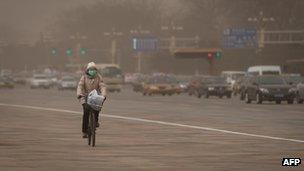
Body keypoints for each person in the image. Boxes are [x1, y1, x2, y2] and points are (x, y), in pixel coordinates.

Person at [77, 62, 106, 138]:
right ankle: (84, 131)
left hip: (95, 96)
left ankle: (95, 121)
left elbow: (102, 86)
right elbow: (80, 87)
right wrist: (79, 95)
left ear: (96, 70)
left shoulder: (98, 77)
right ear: (87, 70)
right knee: (86, 112)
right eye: (90, 69)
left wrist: (103, 95)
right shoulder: (84, 78)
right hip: (85, 97)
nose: (92, 71)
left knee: (97, 107)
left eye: (93, 69)